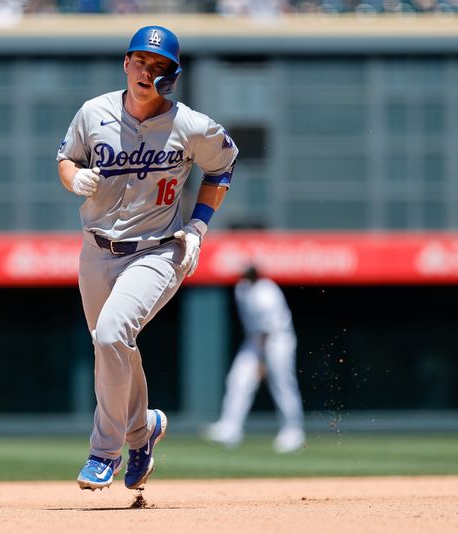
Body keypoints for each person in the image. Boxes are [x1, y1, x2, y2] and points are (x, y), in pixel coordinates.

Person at [57, 25, 238, 491]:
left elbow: (224, 164)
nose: (147, 70)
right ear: (126, 63)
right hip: (96, 250)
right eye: (141, 60)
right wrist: (72, 178)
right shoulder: (92, 113)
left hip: (158, 250)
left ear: (171, 76)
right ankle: (144, 431)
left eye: (159, 66)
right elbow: (66, 158)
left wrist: (198, 225)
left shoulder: (190, 126)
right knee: (112, 345)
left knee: (114, 333)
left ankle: (104, 451)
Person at [202, 265, 306, 453]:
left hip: (276, 339)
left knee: (283, 385)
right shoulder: (241, 288)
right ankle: (230, 429)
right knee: (238, 380)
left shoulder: (266, 291)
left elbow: (269, 328)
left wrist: (262, 362)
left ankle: (293, 432)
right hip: (254, 340)